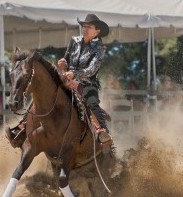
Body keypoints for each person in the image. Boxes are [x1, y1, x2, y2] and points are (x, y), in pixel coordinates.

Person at [6, 13, 112, 146]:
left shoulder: (100, 49)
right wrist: (64, 64)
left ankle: (101, 132)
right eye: (84, 26)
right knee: (43, 93)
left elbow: (92, 69)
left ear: (97, 31)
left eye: (89, 27)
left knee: (91, 101)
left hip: (87, 83)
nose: (85, 29)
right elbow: (66, 59)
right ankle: (24, 125)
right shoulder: (75, 41)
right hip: (66, 79)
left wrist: (75, 74)